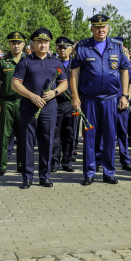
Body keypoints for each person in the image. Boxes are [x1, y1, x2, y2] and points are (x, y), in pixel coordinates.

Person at [69, 14, 131, 186]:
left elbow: (125, 70)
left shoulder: (117, 47)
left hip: (111, 98)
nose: (100, 29)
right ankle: (89, 172)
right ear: (91, 28)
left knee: (110, 136)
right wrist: (75, 95)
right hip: (89, 99)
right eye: (97, 27)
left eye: (103, 26)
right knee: (90, 136)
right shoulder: (82, 47)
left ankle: (109, 171)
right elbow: (74, 73)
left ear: (108, 27)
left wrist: (125, 95)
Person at [11, 29, 68, 188]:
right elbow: (15, 84)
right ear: (33, 44)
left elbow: (64, 83)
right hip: (29, 107)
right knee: (28, 142)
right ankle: (27, 177)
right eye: (40, 42)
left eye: (46, 42)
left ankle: (45, 176)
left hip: (49, 107)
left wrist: (54, 92)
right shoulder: (25, 61)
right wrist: (32, 96)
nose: (43, 45)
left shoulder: (56, 62)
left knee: (47, 142)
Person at [0, 32, 26, 176]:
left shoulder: (28, 60)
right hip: (6, 102)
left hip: (23, 102)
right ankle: (2, 166)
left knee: (23, 136)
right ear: (9, 44)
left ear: (23, 44)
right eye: (13, 43)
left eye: (19, 43)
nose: (16, 45)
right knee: (4, 135)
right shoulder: (2, 61)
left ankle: (21, 165)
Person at [112, 36, 131, 172]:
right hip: (108, 102)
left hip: (121, 102)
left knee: (122, 133)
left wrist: (126, 98)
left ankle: (125, 160)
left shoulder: (127, 63)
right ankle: (105, 160)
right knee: (107, 133)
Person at [53, 36, 76, 172]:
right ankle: (54, 162)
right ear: (56, 48)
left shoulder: (76, 64)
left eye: (65, 47)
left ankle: (67, 162)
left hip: (70, 103)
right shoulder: (53, 63)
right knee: (55, 135)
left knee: (70, 134)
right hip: (55, 102)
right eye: (60, 47)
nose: (63, 50)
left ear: (71, 49)